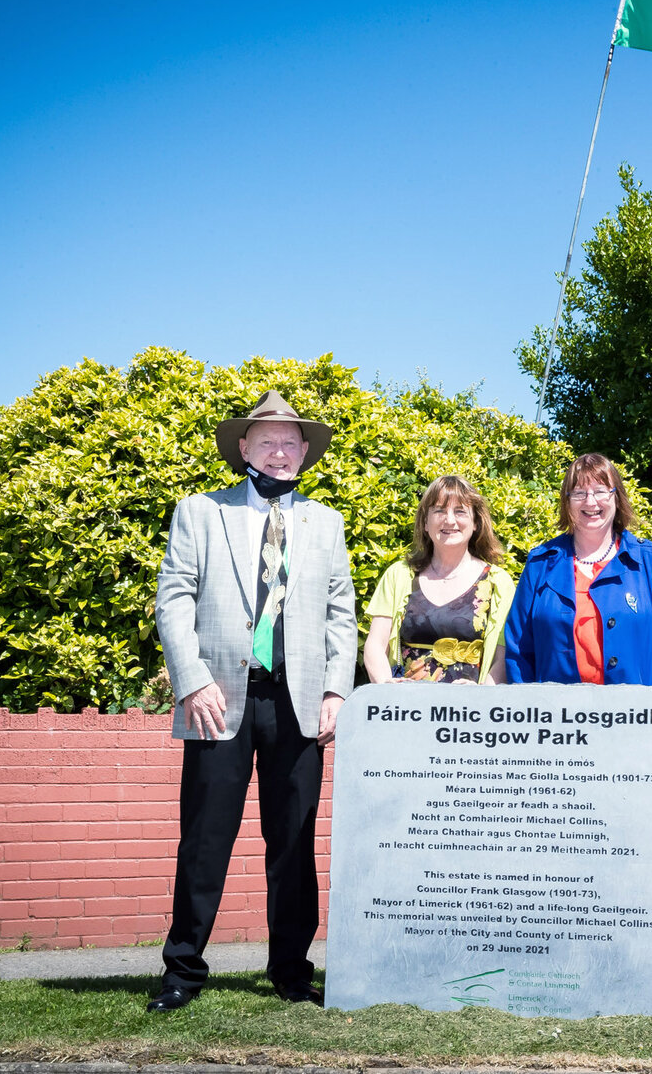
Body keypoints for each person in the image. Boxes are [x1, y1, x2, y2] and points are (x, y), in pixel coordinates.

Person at [147, 390, 357, 1012]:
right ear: (244, 448)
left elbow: (341, 616)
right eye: (268, 440)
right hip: (218, 700)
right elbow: (174, 601)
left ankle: (292, 970)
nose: (281, 450)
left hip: (298, 704)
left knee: (293, 843)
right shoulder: (200, 512)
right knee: (205, 839)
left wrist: (334, 690)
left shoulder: (326, 522)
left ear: (304, 453)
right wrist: (191, 680)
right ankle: (182, 971)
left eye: (292, 441)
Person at [503, 453, 652, 688]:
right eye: (579, 493)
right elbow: (518, 651)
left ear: (616, 497)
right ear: (567, 501)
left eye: (601, 491)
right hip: (555, 719)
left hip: (635, 718)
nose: (590, 502)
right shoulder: (539, 563)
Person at [362, 475, 516, 685]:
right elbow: (375, 646)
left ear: (476, 523)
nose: (449, 520)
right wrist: (386, 687)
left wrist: (483, 696)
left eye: (460, 511)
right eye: (439, 510)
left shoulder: (498, 583)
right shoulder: (399, 575)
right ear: (425, 522)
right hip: (405, 709)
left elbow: (504, 657)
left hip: (471, 710)